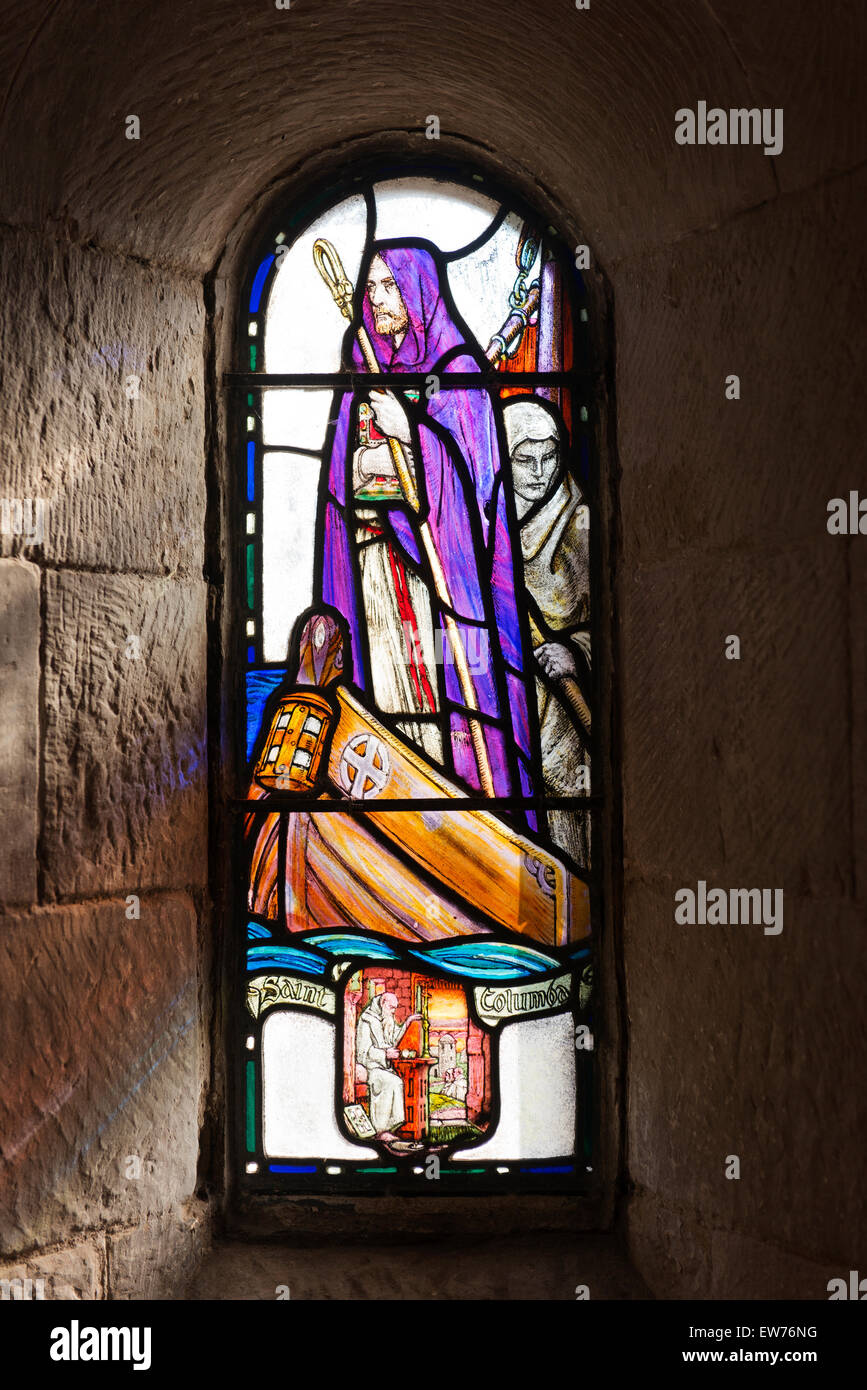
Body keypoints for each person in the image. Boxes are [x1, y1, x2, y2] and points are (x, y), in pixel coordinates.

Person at [317, 242, 535, 805]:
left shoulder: (456, 369)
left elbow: (472, 490)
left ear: (419, 293)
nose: (378, 300)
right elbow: (342, 478)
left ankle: (467, 798)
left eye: (389, 287)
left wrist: (409, 432)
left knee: (444, 703)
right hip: (375, 570)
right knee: (390, 695)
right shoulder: (363, 362)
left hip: (437, 583)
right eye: (369, 290)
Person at [503, 397, 591, 865]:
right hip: (510, 696)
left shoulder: (579, 521)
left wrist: (576, 653)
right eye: (524, 458)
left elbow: (603, 624)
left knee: (564, 816)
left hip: (563, 707)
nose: (539, 471)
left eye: (549, 456)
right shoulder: (487, 520)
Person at [355, 993, 422, 1141]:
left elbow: (394, 1039)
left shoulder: (387, 1018)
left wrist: (408, 1022)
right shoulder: (367, 1020)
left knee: (397, 1081)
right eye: (391, 1008)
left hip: (385, 1067)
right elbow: (363, 1052)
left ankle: (391, 1128)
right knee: (392, 1082)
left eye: (395, 1008)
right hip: (371, 1067)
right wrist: (385, 1054)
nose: (393, 1011)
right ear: (383, 1003)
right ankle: (381, 1130)